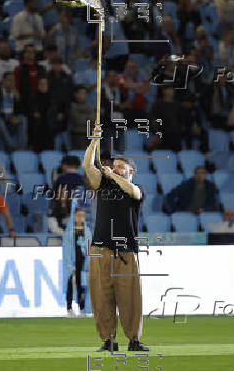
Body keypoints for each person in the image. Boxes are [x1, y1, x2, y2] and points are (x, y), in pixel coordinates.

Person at [83, 125, 149, 352]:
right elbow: (88, 166)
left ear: (131, 172)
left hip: (126, 251)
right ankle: (108, 340)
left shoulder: (135, 188)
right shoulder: (103, 184)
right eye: (114, 166)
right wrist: (94, 141)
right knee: (102, 298)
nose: (116, 169)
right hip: (101, 249)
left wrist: (112, 174)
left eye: (122, 168)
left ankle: (134, 340)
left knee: (130, 298)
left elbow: (133, 192)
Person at [63, 205, 92, 317]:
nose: (81, 218)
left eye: (83, 216)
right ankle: (69, 308)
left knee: (82, 285)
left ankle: (82, 307)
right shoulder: (69, 233)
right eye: (78, 215)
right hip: (72, 263)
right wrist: (70, 266)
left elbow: (90, 249)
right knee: (70, 284)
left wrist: (89, 262)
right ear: (74, 217)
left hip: (83, 263)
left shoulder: (87, 232)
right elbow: (66, 250)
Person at [48, 155, 85, 235]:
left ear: (64, 165)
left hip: (63, 216)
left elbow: (54, 197)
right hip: (80, 216)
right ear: (78, 166)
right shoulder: (83, 179)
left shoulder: (61, 179)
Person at [0, 72, 28, 151]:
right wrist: (5, 117)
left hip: (11, 120)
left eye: (13, 80)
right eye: (9, 80)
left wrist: (18, 99)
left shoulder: (16, 92)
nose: (11, 83)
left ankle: (21, 146)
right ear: (3, 81)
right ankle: (12, 147)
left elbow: (22, 111)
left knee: (23, 119)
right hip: (0, 119)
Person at [117, 59, 150, 124]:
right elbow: (124, 85)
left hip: (141, 109)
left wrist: (132, 86)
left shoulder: (141, 77)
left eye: (133, 67)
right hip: (128, 110)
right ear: (126, 68)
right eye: (129, 67)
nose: (131, 69)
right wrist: (140, 86)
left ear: (137, 68)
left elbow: (147, 88)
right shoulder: (121, 77)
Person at [14, 44, 45, 114]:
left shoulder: (41, 68)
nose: (30, 54)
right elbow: (16, 87)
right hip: (25, 100)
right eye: (28, 52)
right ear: (24, 54)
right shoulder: (19, 69)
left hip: (39, 100)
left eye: (32, 52)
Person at [69, 85, 96, 150]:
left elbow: (93, 119)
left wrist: (83, 116)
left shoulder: (89, 106)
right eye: (81, 93)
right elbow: (77, 120)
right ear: (76, 94)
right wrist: (88, 117)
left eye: (84, 93)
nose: (83, 95)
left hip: (89, 135)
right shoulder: (72, 106)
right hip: (77, 135)